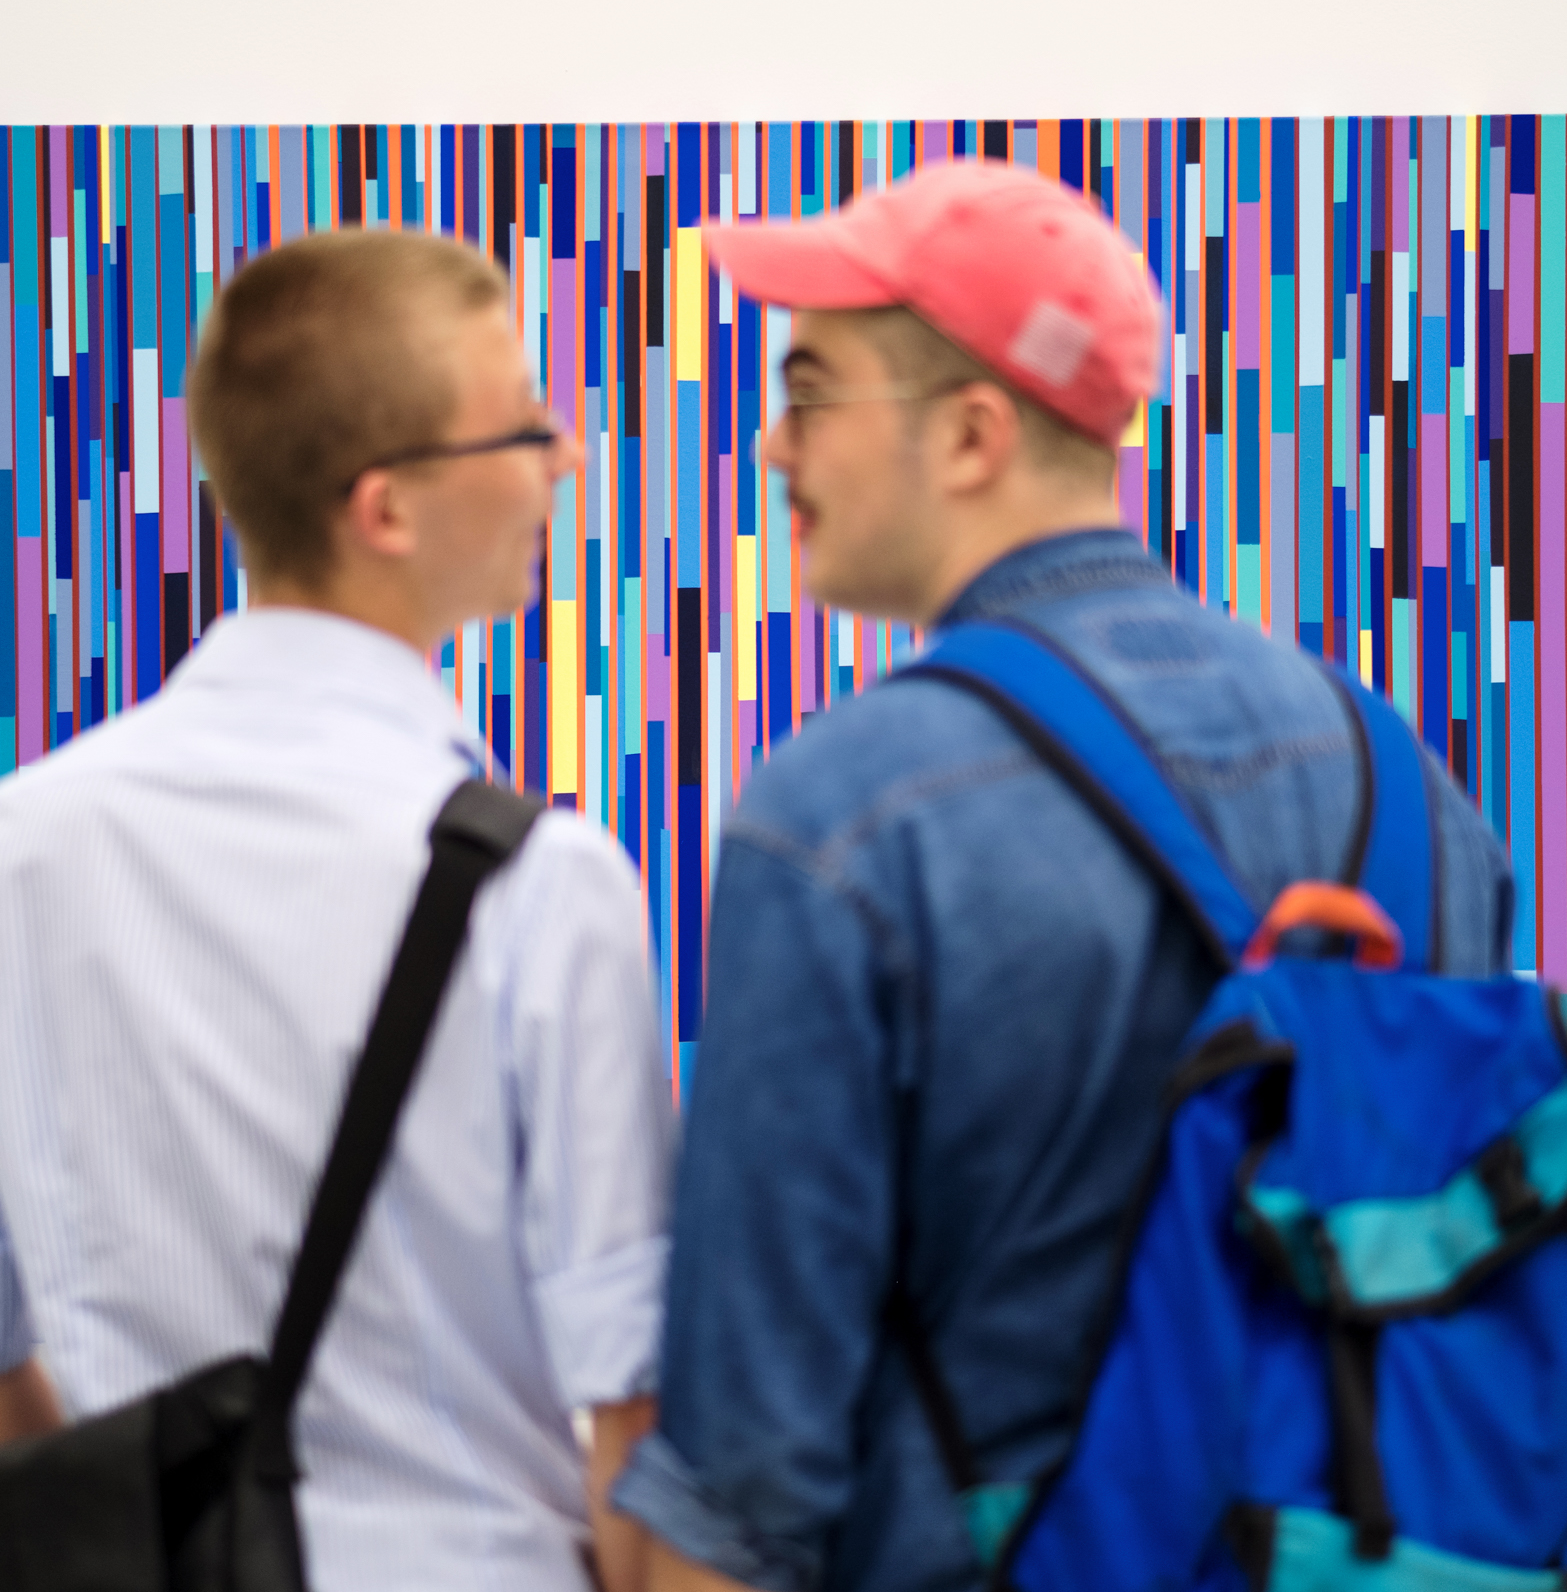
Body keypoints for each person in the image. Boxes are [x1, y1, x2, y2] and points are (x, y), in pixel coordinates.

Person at [610, 161, 1514, 1592]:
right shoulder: (1406, 786)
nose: (775, 445)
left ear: (972, 434)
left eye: (808, 391)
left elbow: (740, 1491)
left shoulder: (846, 821)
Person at [0, 229, 673, 1592]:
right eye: (525, 428)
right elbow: (634, 1398)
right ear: (385, 508)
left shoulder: (17, 848)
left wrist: (137, 1528)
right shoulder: (546, 886)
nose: (567, 459)